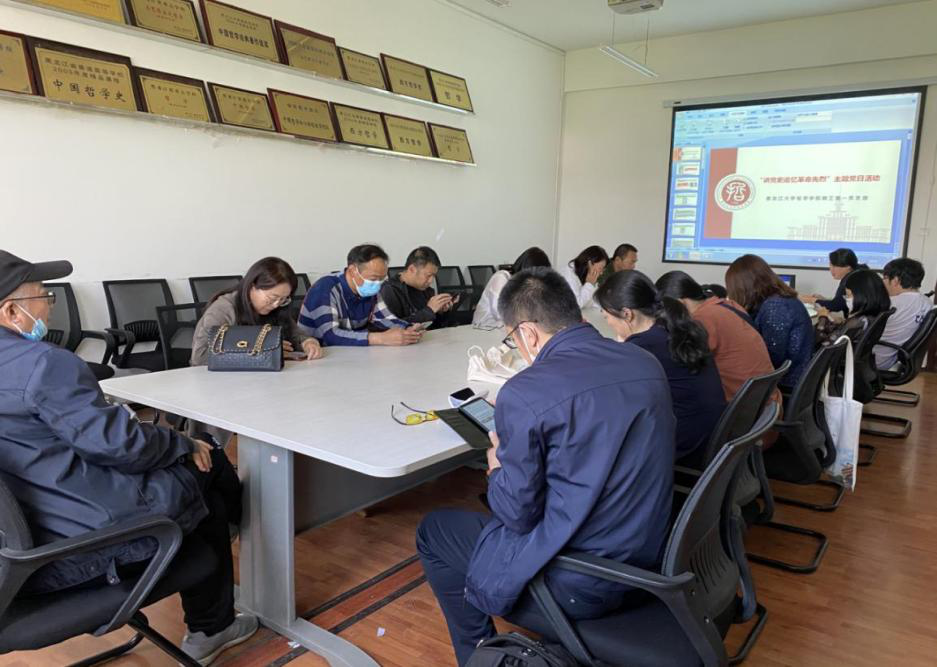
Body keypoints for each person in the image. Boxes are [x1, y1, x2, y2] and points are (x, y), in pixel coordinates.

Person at [0, 250, 256, 665]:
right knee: (208, 460)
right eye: (44, 296)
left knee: (203, 481)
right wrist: (181, 443)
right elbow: (121, 445)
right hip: (76, 547)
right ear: (11, 311)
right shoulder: (42, 364)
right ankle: (213, 623)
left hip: (13, 555)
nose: (50, 305)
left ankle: (214, 586)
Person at [417, 268, 675, 667]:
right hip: (650, 558)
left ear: (528, 333)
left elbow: (516, 514)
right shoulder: (644, 362)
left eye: (512, 339)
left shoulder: (525, 391)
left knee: (434, 530)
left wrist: (496, 469)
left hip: (582, 584)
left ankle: (480, 656)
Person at [596, 270, 725, 460]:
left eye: (606, 317)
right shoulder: (673, 329)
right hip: (709, 438)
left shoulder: (643, 347)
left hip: (685, 447)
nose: (608, 323)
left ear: (627, 314)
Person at [657, 270, 776, 402]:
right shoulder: (729, 305)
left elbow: (683, 366)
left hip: (743, 406)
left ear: (680, 303)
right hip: (767, 401)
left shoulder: (702, 319)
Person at [191, 256, 322, 365]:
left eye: (283, 299)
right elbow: (200, 357)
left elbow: (296, 335)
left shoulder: (278, 307)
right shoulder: (224, 309)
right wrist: (264, 352)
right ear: (252, 286)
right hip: (219, 381)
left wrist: (308, 342)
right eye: (272, 298)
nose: (276, 304)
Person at [298, 244, 423, 346]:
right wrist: (380, 338)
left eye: (382, 279)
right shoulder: (325, 288)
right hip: (318, 355)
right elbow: (331, 335)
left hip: (351, 353)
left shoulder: (370, 289)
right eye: (374, 278)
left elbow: (384, 318)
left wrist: (408, 329)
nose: (378, 284)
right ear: (353, 271)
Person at [725, 254, 815, 389]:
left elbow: (771, 359)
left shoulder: (775, 306)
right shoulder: (782, 300)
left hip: (786, 382)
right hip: (796, 377)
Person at [471, 247, 551, 329]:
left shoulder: (525, 286)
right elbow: (500, 314)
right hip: (484, 328)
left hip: (508, 329)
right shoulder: (501, 278)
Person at [876, 258, 933, 368]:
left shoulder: (891, 304)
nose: (883, 282)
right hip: (895, 359)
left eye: (885, 278)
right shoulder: (928, 303)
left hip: (875, 359)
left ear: (896, 280)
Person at [380, 246, 456, 329]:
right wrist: (429, 310)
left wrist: (441, 312)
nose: (431, 281)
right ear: (412, 269)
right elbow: (390, 327)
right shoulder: (389, 290)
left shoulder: (426, 290)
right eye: (428, 275)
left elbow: (433, 327)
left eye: (434, 276)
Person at [814, 268, 892, 347]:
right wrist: (842, 322)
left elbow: (824, 345)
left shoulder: (856, 323)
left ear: (862, 296)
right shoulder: (873, 313)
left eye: (848, 295)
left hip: (836, 353)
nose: (846, 299)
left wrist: (822, 318)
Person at [800, 248, 866, 317]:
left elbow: (835, 306)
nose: (831, 269)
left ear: (848, 267)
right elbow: (840, 302)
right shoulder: (856, 274)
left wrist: (810, 300)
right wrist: (823, 300)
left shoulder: (852, 280)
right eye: (830, 265)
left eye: (834, 266)